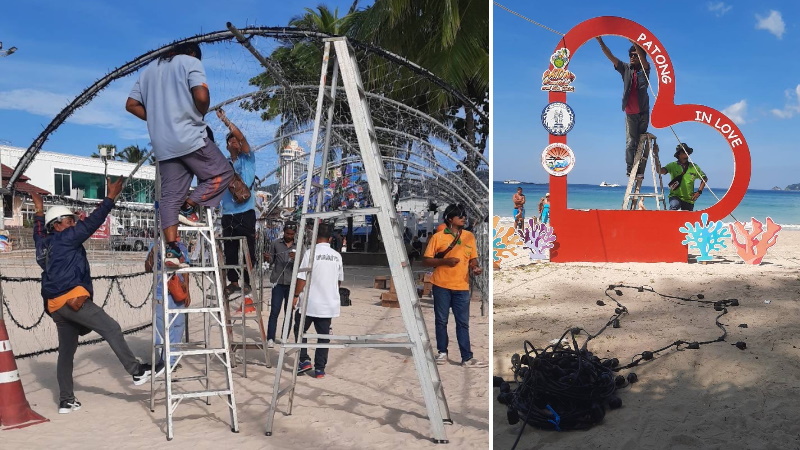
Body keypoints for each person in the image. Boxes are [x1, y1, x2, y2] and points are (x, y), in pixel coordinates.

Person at [31, 178, 156, 415]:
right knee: (111, 327)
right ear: (57, 225)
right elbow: (92, 224)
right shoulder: (66, 237)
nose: (73, 224)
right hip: (71, 299)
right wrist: (110, 198)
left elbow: (38, 229)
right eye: (69, 221)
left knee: (66, 354)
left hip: (55, 306)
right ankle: (136, 371)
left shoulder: (42, 243)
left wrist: (39, 209)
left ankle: (66, 401)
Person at [126, 42, 233, 268]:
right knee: (222, 173)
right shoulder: (190, 62)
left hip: (163, 144)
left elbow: (131, 105)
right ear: (193, 53)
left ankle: (173, 251)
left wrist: (159, 118)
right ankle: (188, 206)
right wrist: (197, 113)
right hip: (190, 136)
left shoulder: (148, 72)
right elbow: (202, 97)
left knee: (169, 196)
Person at [423, 204, 486, 368]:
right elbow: (427, 260)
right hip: (441, 284)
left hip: (462, 286)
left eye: (464, 216)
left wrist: (474, 267)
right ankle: (442, 352)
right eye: (460, 216)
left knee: (463, 323)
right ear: (450, 219)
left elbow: (473, 257)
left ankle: (466, 358)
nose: (464, 218)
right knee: (441, 320)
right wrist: (445, 261)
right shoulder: (438, 237)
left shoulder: (469, 236)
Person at [293, 223, 343, 379]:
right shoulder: (337, 256)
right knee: (323, 337)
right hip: (327, 304)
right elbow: (338, 281)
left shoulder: (310, 253)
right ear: (330, 238)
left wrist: (295, 295)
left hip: (309, 303)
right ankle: (320, 369)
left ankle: (304, 359)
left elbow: (302, 278)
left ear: (315, 237)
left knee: (299, 330)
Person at [596, 37, 651, 177]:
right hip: (630, 113)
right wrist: (600, 41)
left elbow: (644, 61)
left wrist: (635, 44)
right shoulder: (625, 68)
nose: (632, 57)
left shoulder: (645, 69)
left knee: (641, 141)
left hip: (643, 112)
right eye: (630, 55)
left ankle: (639, 169)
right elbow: (610, 56)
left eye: (635, 55)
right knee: (631, 141)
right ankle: (629, 168)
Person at [216, 108, 256, 295]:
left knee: (248, 246)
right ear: (227, 145)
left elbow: (242, 137)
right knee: (230, 249)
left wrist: (225, 119)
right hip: (228, 212)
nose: (235, 142)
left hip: (246, 211)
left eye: (236, 140)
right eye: (231, 140)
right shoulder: (223, 164)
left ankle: (247, 281)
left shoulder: (247, 159)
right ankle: (233, 281)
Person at [145, 238, 190, 371]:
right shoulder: (155, 245)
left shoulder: (182, 246)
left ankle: (173, 359)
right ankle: (164, 360)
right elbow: (148, 268)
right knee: (162, 326)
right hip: (160, 291)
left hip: (178, 292)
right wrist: (153, 253)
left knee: (178, 325)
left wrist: (187, 291)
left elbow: (186, 269)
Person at [265, 223, 297, 348]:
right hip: (277, 282)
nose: (289, 236)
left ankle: (284, 337)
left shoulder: (299, 246)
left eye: (292, 234)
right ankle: (270, 338)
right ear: (284, 232)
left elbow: (303, 263)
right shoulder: (275, 243)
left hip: (291, 283)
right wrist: (267, 258)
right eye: (287, 233)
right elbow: (271, 261)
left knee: (288, 312)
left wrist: (295, 258)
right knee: (274, 311)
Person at [660, 143, 708, 211]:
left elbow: (704, 178)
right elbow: (661, 171)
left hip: (689, 199)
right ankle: (669, 220)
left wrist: (699, 192)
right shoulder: (672, 165)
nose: (686, 153)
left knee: (687, 218)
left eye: (687, 151)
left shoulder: (694, 167)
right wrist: (656, 157)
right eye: (684, 151)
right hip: (675, 196)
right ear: (679, 154)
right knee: (674, 206)